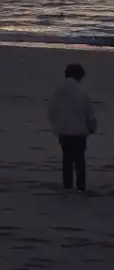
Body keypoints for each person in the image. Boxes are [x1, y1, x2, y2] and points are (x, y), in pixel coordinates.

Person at [48, 62, 97, 193]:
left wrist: (56, 125)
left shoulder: (57, 92)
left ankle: (67, 185)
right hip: (79, 132)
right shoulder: (82, 92)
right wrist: (92, 127)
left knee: (67, 160)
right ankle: (81, 187)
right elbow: (89, 113)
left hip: (63, 132)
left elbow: (51, 111)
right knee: (80, 160)